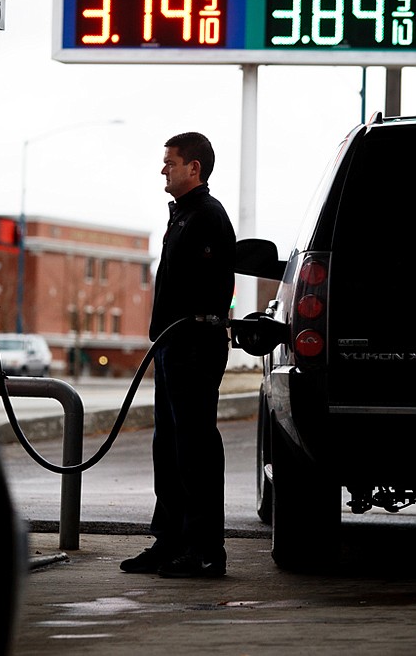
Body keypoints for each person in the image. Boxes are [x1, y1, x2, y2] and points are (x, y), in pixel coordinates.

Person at [120, 132, 236, 578]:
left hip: (193, 346)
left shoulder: (207, 216)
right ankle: (169, 542)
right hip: (171, 346)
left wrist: (185, 330)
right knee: (167, 448)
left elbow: (209, 289)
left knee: (195, 450)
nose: (163, 169)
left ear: (195, 168)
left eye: (170, 162)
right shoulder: (183, 216)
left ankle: (205, 551)